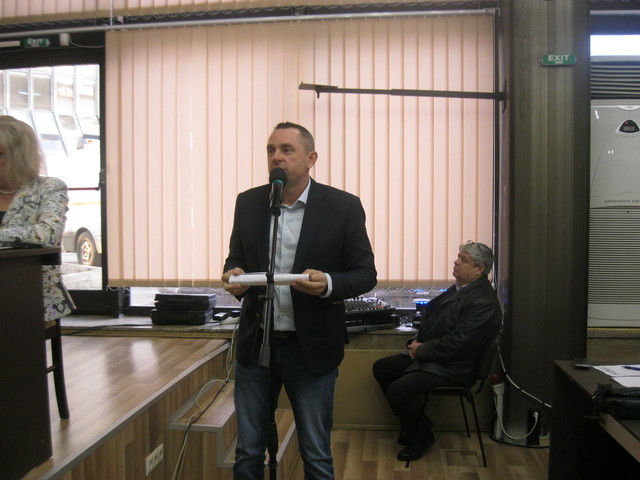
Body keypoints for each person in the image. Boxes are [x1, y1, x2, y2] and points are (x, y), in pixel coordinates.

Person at [221, 121, 377, 479]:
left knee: (316, 454)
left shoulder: (342, 206)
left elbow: (366, 274)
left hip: (311, 351)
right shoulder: (249, 203)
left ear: (311, 158)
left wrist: (328, 284)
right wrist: (234, 275)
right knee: (247, 453)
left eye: (286, 150)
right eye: (271, 150)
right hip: (257, 347)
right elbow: (236, 259)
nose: (276, 156)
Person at [372, 241, 502, 463]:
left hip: (455, 368)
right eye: (458, 257)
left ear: (479, 269)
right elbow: (434, 320)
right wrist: (416, 342)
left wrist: (421, 350)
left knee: (398, 391)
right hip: (438, 358)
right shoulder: (461, 288)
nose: (456, 262)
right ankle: (417, 426)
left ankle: (421, 436)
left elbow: (458, 345)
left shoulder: (483, 301)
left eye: (463, 260)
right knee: (382, 368)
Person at [0, 115, 75, 322]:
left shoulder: (49, 187)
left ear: (19, 156)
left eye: (0, 154)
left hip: (31, 291)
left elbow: (47, 234)